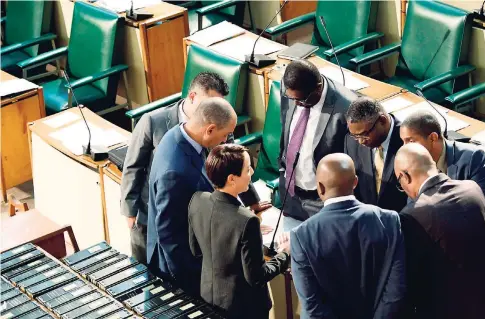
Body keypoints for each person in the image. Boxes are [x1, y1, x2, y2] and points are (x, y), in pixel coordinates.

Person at [121, 72, 269, 264]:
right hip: (149, 214)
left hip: (192, 220)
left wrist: (252, 202)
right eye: (209, 102)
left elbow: (234, 164)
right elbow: (133, 167)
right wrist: (130, 212)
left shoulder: (219, 121)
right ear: (192, 97)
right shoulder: (153, 122)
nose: (214, 109)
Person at [286, 153, 405, 319]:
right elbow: (395, 291)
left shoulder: (302, 236)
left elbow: (312, 306)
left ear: (320, 187)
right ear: (355, 182)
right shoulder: (390, 220)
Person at [146, 97, 237, 296]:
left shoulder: (177, 134)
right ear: (210, 129)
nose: (225, 141)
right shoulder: (175, 172)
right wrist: (192, 281)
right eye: (225, 135)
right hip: (180, 269)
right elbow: (169, 235)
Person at [188, 144, 289, 319]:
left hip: (209, 296)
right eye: (247, 169)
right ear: (232, 179)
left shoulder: (197, 200)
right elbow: (257, 277)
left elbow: (196, 250)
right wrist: (285, 254)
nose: (251, 172)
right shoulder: (247, 221)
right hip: (244, 308)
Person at [395, 143, 485, 319]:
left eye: (400, 183)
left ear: (404, 176)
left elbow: (413, 276)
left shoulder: (412, 215)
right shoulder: (471, 188)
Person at [279, 59, 358, 223]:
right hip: (290, 193)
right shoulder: (290, 89)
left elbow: (353, 163)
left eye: (301, 101)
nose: (296, 104)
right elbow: (285, 132)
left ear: (318, 88)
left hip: (322, 201)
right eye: (292, 99)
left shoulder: (346, 107)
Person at [344, 97, 407, 212]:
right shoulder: (351, 142)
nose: (360, 141)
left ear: (382, 121)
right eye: (355, 136)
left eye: (364, 134)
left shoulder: (407, 141)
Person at [400, 110, 485, 195]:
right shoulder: (414, 164)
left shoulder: (475, 157)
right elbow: (414, 202)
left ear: (433, 138)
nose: (405, 147)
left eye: (411, 141)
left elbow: (479, 201)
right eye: (403, 141)